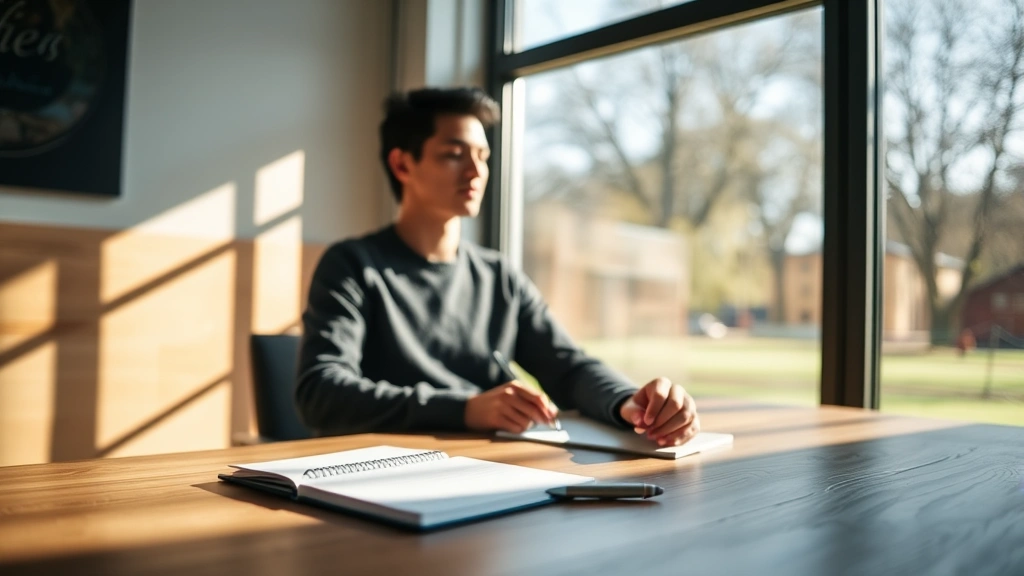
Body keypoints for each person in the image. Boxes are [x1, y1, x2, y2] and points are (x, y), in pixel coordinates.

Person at [295, 87, 700, 446]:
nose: (476, 172)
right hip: (376, 476)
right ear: (402, 165)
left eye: (482, 156)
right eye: (454, 155)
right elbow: (322, 392)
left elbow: (569, 367)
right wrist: (466, 409)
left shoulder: (498, 276)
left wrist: (629, 404)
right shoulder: (352, 265)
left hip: (482, 471)